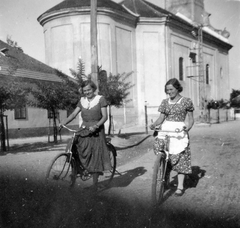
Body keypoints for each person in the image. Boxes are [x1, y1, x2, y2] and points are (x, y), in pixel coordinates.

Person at [59, 80, 111, 190]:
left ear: (94, 89)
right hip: (84, 127)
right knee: (73, 144)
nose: (87, 92)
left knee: (94, 153)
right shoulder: (82, 100)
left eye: (89, 90)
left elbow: (105, 117)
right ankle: (77, 169)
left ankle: (95, 183)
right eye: (84, 90)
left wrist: (96, 126)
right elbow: (73, 114)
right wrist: (64, 122)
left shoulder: (100, 99)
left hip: (96, 129)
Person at [150, 78, 194, 196]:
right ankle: (165, 180)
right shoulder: (165, 102)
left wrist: (187, 128)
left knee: (180, 157)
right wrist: (154, 124)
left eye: (171, 89)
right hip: (166, 129)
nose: (169, 92)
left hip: (179, 130)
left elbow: (190, 118)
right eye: (167, 90)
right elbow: (161, 118)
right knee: (163, 155)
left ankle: (180, 186)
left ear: (177, 88)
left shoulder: (186, 101)